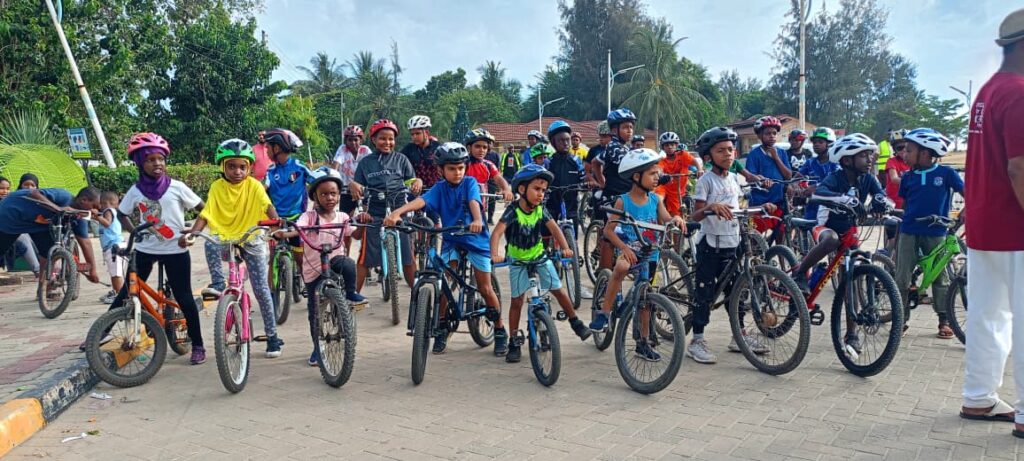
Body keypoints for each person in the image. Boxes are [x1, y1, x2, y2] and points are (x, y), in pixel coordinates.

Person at [959, 8, 1024, 431]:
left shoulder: (989, 90)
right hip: (1016, 226)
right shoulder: (1019, 91)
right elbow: (1019, 167)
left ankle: (979, 398)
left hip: (985, 227)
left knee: (988, 314)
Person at [383, 142, 509, 356]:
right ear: (441, 170)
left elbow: (474, 203)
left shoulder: (469, 183)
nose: (457, 172)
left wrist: (478, 220)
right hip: (452, 239)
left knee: (485, 287)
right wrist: (397, 213)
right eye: (452, 168)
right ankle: (442, 327)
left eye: (460, 168)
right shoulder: (439, 188)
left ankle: (499, 330)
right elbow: (421, 201)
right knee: (444, 286)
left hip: (475, 239)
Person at [105, 132, 206, 365]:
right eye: (150, 159)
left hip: (175, 250)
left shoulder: (177, 187)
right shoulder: (136, 190)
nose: (157, 163)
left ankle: (198, 344)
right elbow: (122, 213)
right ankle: (101, 332)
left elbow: (204, 209)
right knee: (126, 293)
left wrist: (192, 232)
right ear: (140, 163)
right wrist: (134, 231)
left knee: (184, 298)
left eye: (161, 159)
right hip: (145, 250)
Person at [789, 134, 890, 352]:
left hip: (850, 232)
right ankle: (800, 272)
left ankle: (851, 334)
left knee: (850, 281)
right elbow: (821, 193)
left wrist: (882, 201)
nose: (870, 159)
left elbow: (881, 193)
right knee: (831, 240)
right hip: (826, 227)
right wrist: (844, 199)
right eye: (863, 156)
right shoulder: (836, 177)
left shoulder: (868, 179)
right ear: (846, 160)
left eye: (870, 155)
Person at [185, 139, 284, 358]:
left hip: (251, 235)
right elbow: (207, 213)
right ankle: (219, 283)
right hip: (226, 235)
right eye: (231, 166)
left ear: (249, 167)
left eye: (242, 167)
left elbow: (267, 206)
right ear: (223, 167)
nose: (237, 171)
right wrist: (193, 233)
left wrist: (276, 223)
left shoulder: (254, 185)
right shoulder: (217, 187)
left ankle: (272, 335)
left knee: (261, 289)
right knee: (209, 242)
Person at [685, 127, 777, 364]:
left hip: (732, 242)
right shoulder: (706, 181)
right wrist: (710, 208)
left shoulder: (734, 179)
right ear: (708, 156)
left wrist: (763, 206)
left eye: (730, 150)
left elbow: (738, 205)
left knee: (736, 292)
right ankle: (696, 340)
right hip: (711, 245)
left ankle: (739, 336)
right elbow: (695, 215)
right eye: (721, 151)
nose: (728, 154)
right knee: (704, 294)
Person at [589, 148, 686, 362]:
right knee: (621, 268)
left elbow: (667, 219)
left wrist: (676, 220)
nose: (657, 178)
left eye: (657, 173)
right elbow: (608, 231)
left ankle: (643, 342)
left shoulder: (655, 200)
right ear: (636, 176)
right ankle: (604, 313)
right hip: (630, 250)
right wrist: (623, 248)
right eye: (652, 173)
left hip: (651, 254)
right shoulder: (623, 202)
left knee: (645, 301)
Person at [491, 164, 592, 363]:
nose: (540, 194)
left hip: (539, 257)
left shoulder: (541, 210)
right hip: (517, 261)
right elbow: (497, 232)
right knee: (517, 301)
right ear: (521, 189)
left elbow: (555, 229)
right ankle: (514, 341)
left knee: (558, 290)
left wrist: (565, 247)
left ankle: (575, 322)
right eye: (536, 189)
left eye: (543, 190)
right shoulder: (513, 211)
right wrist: (495, 253)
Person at [273, 168, 365, 367]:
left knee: (348, 264)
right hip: (313, 269)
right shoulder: (309, 217)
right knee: (314, 312)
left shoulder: (342, 217)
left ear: (339, 195)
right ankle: (317, 347)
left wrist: (364, 223)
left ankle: (350, 294)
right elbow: (296, 229)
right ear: (314, 196)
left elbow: (355, 234)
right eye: (324, 194)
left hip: (334, 261)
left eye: (333, 193)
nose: (329, 198)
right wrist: (283, 234)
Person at [893, 128, 962, 339]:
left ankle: (944, 320)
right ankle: (900, 320)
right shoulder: (907, 177)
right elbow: (905, 204)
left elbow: (966, 191)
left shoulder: (946, 174)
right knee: (902, 277)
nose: (904, 154)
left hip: (937, 232)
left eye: (909, 150)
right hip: (909, 231)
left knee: (940, 278)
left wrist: (966, 212)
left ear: (924, 153)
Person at [350, 119, 422, 292]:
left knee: (408, 255)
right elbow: (357, 183)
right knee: (365, 257)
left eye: (391, 139)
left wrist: (417, 181)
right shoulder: (366, 162)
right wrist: (354, 185)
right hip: (375, 210)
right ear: (373, 140)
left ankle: (417, 294)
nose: (387, 142)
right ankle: (353, 297)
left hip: (398, 210)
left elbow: (411, 180)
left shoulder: (401, 159)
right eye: (382, 138)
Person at [592, 108, 637, 271]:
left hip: (627, 197)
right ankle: (605, 278)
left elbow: (596, 162)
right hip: (612, 198)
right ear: (614, 130)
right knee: (610, 238)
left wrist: (600, 179)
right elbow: (631, 167)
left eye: (631, 127)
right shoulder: (614, 147)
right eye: (626, 127)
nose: (630, 131)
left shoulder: (626, 147)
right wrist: (602, 182)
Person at [744, 116, 792, 242]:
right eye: (768, 133)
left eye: (774, 133)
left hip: (778, 201)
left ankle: (782, 260)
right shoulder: (754, 154)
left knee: (780, 236)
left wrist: (776, 158)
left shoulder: (781, 153)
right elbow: (750, 177)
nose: (772, 136)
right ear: (760, 136)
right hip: (760, 203)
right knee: (755, 237)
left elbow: (788, 175)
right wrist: (762, 181)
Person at [463, 128, 514, 221]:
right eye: (477, 146)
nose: (481, 150)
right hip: (462, 208)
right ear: (469, 147)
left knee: (484, 233)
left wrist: (506, 189)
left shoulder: (488, 165)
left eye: (485, 147)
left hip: (480, 208)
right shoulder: (462, 164)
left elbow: (498, 178)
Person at [795, 127, 841, 221]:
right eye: (814, 142)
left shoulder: (836, 163)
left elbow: (838, 181)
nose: (816, 144)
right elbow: (796, 178)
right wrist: (794, 186)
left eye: (820, 142)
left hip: (831, 207)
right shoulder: (810, 162)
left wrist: (816, 187)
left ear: (829, 144)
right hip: (812, 207)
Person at [654, 131, 702, 217]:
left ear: (676, 145)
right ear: (663, 147)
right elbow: (659, 169)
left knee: (678, 213)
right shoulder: (662, 161)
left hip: (678, 190)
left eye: (672, 144)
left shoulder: (683, 155)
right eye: (667, 145)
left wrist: (699, 169)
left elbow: (694, 161)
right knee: (658, 200)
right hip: (665, 187)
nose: (670, 147)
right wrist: (660, 175)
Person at [0, 176, 39, 276]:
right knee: (22, 236)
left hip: (11, 232)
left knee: (32, 234)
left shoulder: (10, 201)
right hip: (6, 233)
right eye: (2, 188)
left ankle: (45, 267)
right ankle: (38, 270)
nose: (5, 191)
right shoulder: (12, 201)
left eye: (8, 189)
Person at [332, 125, 373, 216]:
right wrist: (332, 179)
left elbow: (373, 165)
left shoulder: (365, 150)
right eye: (350, 140)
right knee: (345, 218)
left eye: (356, 140)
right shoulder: (343, 149)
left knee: (368, 216)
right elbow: (336, 164)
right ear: (345, 141)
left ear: (361, 140)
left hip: (363, 188)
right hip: (346, 189)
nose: (353, 143)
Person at [94, 191, 125, 304]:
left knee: (116, 273)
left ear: (102, 203)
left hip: (114, 246)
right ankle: (117, 292)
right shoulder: (113, 210)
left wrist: (97, 217)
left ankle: (120, 296)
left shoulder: (108, 211)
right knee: (115, 272)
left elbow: (107, 223)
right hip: (113, 246)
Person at [400, 115, 442, 190]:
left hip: (437, 189)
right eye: (412, 134)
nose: (414, 137)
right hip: (415, 191)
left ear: (426, 132)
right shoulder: (408, 149)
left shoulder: (438, 147)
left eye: (417, 133)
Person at [884, 130, 911, 209]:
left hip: (911, 202)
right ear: (895, 150)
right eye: (900, 148)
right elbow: (894, 179)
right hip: (894, 204)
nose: (904, 150)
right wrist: (914, 181)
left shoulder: (914, 163)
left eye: (907, 147)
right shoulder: (892, 161)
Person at [584, 121, 612, 189]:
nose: (601, 139)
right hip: (598, 187)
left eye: (604, 136)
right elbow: (587, 171)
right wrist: (595, 183)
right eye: (600, 136)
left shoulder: (618, 151)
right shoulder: (593, 150)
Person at [483, 143, 503, 223]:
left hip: (492, 181)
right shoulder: (481, 154)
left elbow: (498, 170)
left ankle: (490, 218)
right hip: (482, 181)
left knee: (492, 199)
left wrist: (500, 186)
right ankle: (481, 218)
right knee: (481, 199)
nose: (489, 145)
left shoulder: (495, 155)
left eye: (490, 143)